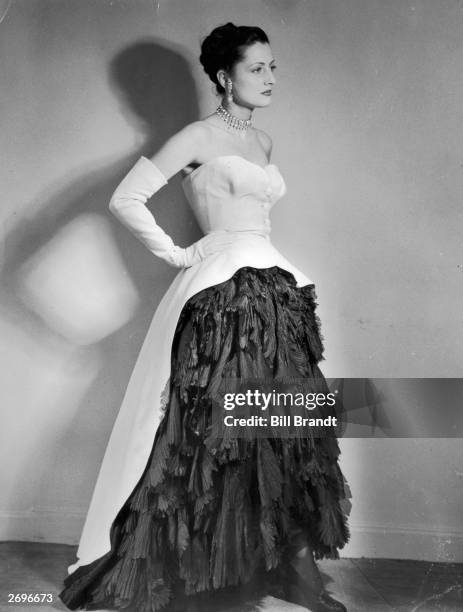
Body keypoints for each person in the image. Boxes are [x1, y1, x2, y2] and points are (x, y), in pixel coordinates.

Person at [59, 22, 350, 612]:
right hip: (222, 298)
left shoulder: (263, 143)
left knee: (282, 428)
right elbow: (125, 199)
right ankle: (200, 569)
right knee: (213, 431)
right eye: (257, 68)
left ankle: (277, 564)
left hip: (276, 291)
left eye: (273, 66)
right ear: (224, 76)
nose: (271, 77)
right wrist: (177, 253)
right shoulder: (195, 135)